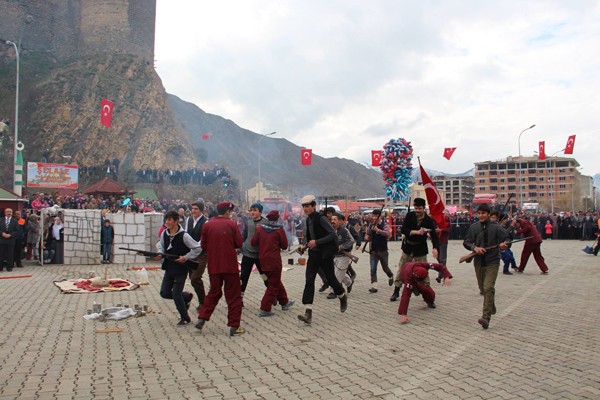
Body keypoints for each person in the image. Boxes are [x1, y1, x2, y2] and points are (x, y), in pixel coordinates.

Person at [195, 202, 246, 336]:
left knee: (214, 292)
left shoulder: (207, 225)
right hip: (230, 266)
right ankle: (234, 326)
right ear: (228, 211)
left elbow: (203, 245)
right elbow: (239, 243)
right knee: (233, 296)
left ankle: (202, 317)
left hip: (214, 265)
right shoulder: (232, 224)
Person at [297, 195, 348, 325]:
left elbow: (332, 235)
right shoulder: (308, 220)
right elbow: (310, 239)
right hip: (313, 254)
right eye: (304, 206)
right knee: (309, 279)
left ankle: (342, 295)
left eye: (307, 206)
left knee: (331, 279)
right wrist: (304, 246)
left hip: (325, 254)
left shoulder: (321, 218)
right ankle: (308, 311)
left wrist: (317, 242)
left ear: (313, 206)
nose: (305, 209)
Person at [464, 203, 510, 330]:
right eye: (479, 213)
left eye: (483, 213)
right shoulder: (474, 228)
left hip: (492, 261)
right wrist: (475, 248)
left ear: (488, 214)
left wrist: (505, 244)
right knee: (483, 289)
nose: (481, 215)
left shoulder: (496, 228)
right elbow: (466, 242)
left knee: (488, 287)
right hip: (478, 262)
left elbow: (507, 238)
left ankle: (486, 317)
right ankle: (491, 306)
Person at [156, 210, 201, 326]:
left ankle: (185, 318)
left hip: (181, 269)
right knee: (164, 292)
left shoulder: (184, 235)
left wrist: (186, 257)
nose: (167, 222)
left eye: (170, 220)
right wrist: (160, 253)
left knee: (176, 294)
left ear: (176, 221)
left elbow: (197, 248)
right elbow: (160, 246)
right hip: (169, 267)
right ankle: (186, 297)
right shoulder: (164, 233)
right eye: (166, 220)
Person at [391, 198, 439, 302]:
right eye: (416, 208)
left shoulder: (428, 220)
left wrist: (435, 248)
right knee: (401, 270)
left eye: (420, 208)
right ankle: (396, 291)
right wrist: (415, 232)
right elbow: (403, 229)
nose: (417, 211)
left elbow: (434, 235)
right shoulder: (410, 216)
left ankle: (428, 296)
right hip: (408, 248)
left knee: (424, 272)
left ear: (424, 208)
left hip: (420, 249)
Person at [250, 210, 295, 317]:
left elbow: (253, 242)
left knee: (275, 281)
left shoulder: (260, 229)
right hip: (274, 260)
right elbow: (284, 246)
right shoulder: (279, 230)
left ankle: (284, 302)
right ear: (277, 218)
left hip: (263, 260)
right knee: (273, 285)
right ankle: (264, 308)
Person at [240, 203, 268, 306]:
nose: (252, 212)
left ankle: (270, 295)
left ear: (260, 212)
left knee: (265, 276)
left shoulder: (266, 222)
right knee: (243, 276)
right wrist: (239, 244)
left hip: (260, 255)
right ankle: (240, 297)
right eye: (251, 210)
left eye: (255, 210)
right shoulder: (248, 222)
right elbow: (244, 235)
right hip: (247, 253)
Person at [364, 209, 394, 294]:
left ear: (380, 216)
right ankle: (374, 285)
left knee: (385, 268)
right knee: (373, 268)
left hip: (383, 250)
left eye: (376, 216)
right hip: (373, 250)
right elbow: (368, 234)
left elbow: (388, 234)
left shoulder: (384, 224)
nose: (374, 217)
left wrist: (378, 230)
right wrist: (366, 236)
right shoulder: (370, 225)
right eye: (373, 215)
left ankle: (390, 275)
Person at [326, 213, 355, 299]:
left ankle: (333, 291)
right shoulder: (330, 231)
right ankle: (349, 283)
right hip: (334, 256)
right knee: (341, 274)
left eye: (335, 220)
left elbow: (351, 240)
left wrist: (341, 247)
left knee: (336, 275)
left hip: (344, 256)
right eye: (332, 220)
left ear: (339, 221)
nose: (333, 221)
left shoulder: (345, 231)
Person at [185, 201, 208, 311]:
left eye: (196, 209)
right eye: (192, 208)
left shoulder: (205, 222)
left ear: (201, 210)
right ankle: (202, 300)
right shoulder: (189, 220)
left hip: (202, 254)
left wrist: (196, 248)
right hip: (190, 254)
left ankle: (203, 302)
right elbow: (185, 235)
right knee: (192, 278)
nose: (193, 211)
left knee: (195, 278)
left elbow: (204, 239)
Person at [435, 212, 451, 283]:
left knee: (442, 259)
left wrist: (441, 230)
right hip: (436, 240)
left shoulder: (446, 218)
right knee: (438, 258)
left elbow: (449, 228)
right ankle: (446, 272)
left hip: (443, 240)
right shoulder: (434, 218)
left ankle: (440, 276)